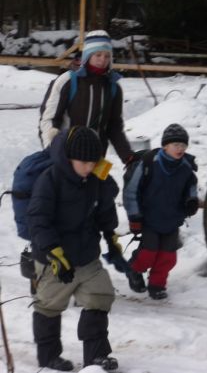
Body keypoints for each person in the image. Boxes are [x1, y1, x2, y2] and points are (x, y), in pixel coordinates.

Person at [28, 126, 122, 371]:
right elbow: (38, 219)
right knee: (48, 306)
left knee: (99, 298)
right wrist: (53, 251)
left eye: (95, 161)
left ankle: (96, 356)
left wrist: (111, 235)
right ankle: (49, 357)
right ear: (69, 157)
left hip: (87, 256)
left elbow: (105, 208)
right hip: (54, 259)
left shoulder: (96, 180)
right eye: (84, 162)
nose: (89, 167)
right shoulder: (49, 180)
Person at [123, 123, 200, 300]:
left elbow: (191, 188)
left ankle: (157, 285)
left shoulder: (186, 167)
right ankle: (134, 270)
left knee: (168, 256)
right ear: (165, 146)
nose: (180, 149)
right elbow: (131, 191)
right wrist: (134, 216)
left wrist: (191, 201)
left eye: (183, 145)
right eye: (175, 145)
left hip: (172, 219)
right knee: (148, 253)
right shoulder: (150, 163)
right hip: (149, 218)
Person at [39, 30, 134, 164]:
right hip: (66, 156)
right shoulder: (67, 81)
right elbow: (49, 119)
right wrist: (52, 150)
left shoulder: (113, 87)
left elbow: (114, 127)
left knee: (100, 185)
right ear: (88, 55)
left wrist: (127, 156)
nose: (103, 60)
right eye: (98, 55)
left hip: (96, 158)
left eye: (107, 56)